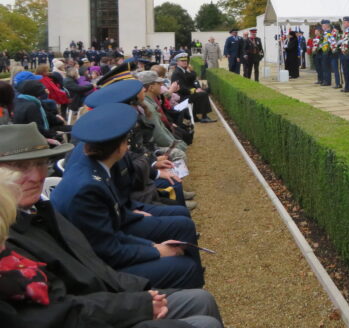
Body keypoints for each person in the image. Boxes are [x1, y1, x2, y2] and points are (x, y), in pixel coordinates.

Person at [0, 124, 222, 328]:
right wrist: (139, 301)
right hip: (97, 312)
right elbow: (59, 310)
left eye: (41, 163)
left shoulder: (39, 210)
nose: (37, 176)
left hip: (105, 298)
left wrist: (141, 292)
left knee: (200, 299)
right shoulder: (8, 237)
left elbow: (92, 264)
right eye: (20, 167)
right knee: (201, 316)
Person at [52, 104, 204, 290]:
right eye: (127, 141)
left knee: (181, 226)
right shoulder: (88, 187)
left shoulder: (95, 168)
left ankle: (191, 290)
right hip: (98, 273)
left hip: (105, 246)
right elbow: (108, 250)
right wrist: (155, 251)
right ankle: (190, 295)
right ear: (121, 148)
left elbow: (113, 223)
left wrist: (151, 245)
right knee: (185, 267)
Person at [170, 54, 216, 123]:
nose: (185, 62)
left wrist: (191, 70)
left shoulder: (183, 70)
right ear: (177, 62)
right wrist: (194, 90)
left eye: (185, 60)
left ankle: (196, 116)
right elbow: (181, 88)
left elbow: (192, 77)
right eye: (182, 61)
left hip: (185, 94)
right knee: (203, 94)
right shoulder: (177, 72)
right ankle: (204, 117)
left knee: (204, 91)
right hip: (181, 96)